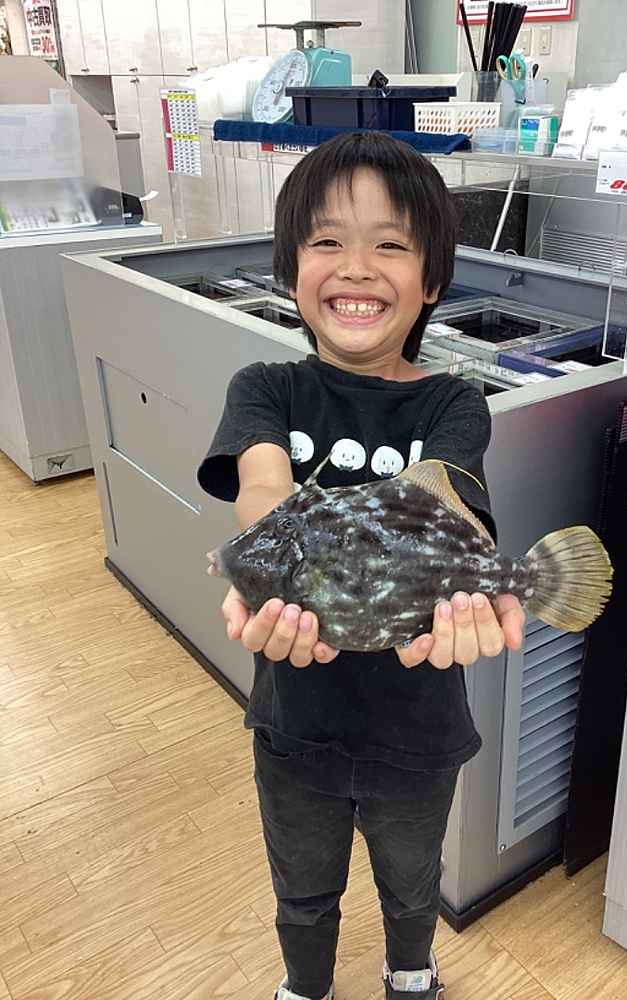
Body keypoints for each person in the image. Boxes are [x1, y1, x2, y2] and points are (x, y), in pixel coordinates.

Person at [197, 131, 525, 1000]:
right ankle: (306, 984)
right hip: (293, 724)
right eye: (327, 241)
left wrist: (485, 586)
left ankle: (410, 971)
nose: (356, 267)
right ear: (289, 268)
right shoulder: (265, 387)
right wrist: (266, 561)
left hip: (420, 730)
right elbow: (263, 489)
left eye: (391, 244)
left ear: (433, 281)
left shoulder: (454, 400)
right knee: (301, 884)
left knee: (412, 881)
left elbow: (452, 500)